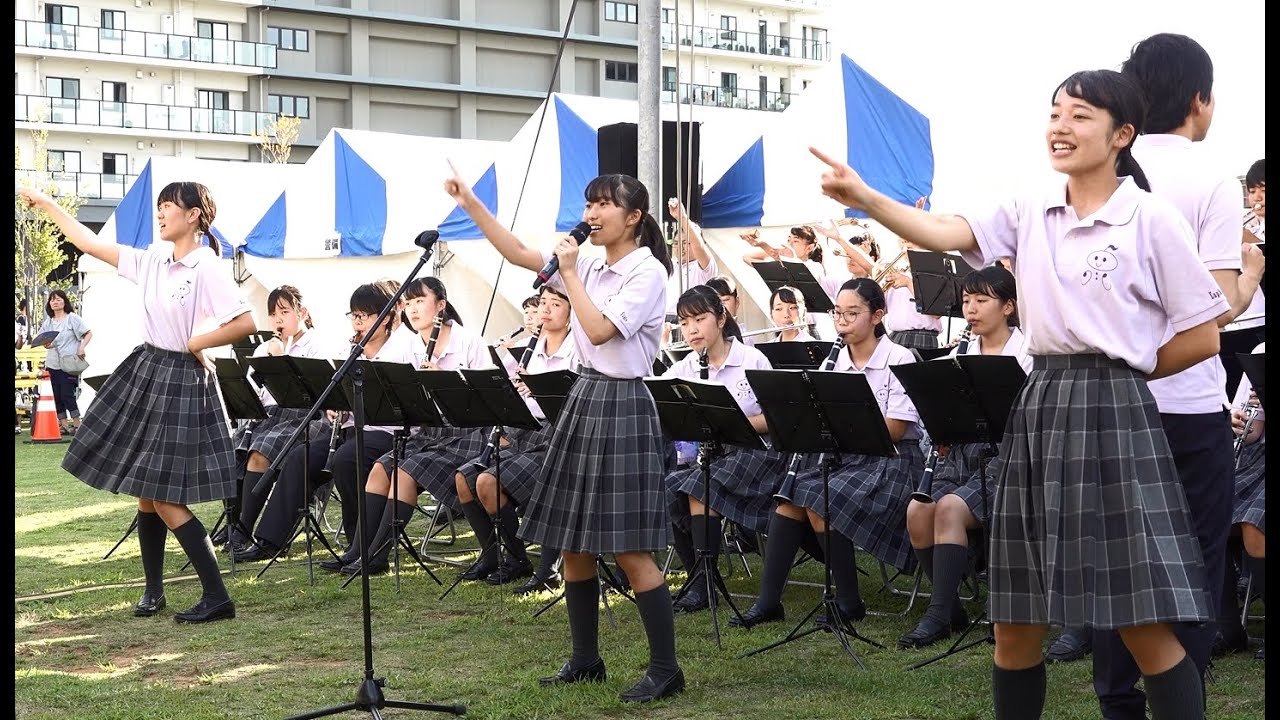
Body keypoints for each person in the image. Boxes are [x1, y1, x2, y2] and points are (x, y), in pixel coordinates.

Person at [811, 68, 1228, 720]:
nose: (1060, 126)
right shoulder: (1031, 207)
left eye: (1080, 115)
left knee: (1142, 619)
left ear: (1123, 134)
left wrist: (1122, 375)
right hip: (1039, 408)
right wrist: (866, 197)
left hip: (1116, 414)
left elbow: (1203, 336)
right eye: (1055, 112)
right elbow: (947, 231)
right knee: (1015, 620)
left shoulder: (1151, 219)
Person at [1072, 32, 1266, 715]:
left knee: (1116, 561)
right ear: (1197, 100)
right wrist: (1249, 276)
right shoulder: (1211, 180)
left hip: (1105, 403)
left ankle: (1118, 703)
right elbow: (1212, 317)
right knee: (1192, 562)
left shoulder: (1095, 174)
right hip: (1183, 403)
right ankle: (1183, 701)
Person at [445, 166, 684, 703]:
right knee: (573, 540)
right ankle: (585, 660)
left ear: (634, 217)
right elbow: (518, 254)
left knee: (627, 548)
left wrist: (572, 273)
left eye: (603, 205)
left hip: (623, 403)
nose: (591, 214)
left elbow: (599, 329)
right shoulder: (591, 260)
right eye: (588, 203)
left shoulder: (646, 273)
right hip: (584, 396)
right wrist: (472, 204)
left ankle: (666, 668)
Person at [20, 182, 255, 624]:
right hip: (150, 369)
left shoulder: (205, 266)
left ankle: (217, 596)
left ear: (194, 216)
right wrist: (49, 204)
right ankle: (153, 592)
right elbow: (87, 242)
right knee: (146, 493)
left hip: (181, 378)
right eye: (161, 206)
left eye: (169, 207)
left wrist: (195, 342)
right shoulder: (153, 260)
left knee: (163, 495)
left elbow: (245, 321)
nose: (161, 213)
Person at [733, 278, 923, 629]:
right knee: (788, 498)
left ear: (877, 315)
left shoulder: (899, 357)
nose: (843, 322)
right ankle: (768, 601)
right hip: (845, 458)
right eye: (838, 313)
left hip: (892, 462)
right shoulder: (832, 364)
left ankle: (849, 601)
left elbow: (896, 428)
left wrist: (844, 418)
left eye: (853, 313)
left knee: (819, 495)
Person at [899, 264, 1031, 649]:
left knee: (950, 509)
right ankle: (951, 606)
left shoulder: (1028, 353)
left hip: (1011, 459)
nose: (970, 309)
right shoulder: (960, 352)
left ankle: (938, 614)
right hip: (961, 455)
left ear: (1008, 307)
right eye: (967, 301)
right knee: (917, 512)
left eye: (982, 300)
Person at [325, 276, 492, 576]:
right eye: (410, 303)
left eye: (420, 301)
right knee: (380, 469)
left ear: (440, 306)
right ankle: (360, 550)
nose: (413, 310)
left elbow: (485, 400)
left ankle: (376, 555)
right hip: (427, 433)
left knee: (403, 471)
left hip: (464, 435)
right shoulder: (413, 344)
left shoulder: (469, 342)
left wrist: (444, 380)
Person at [662, 285, 782, 613]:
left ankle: (703, 585)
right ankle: (701, 576)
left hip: (756, 453)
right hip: (713, 457)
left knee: (699, 487)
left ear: (721, 318)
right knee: (669, 488)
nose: (693, 330)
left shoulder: (751, 359)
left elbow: (775, 419)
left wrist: (727, 420)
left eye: (700, 319)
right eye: (685, 323)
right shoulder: (685, 367)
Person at [454, 285, 578, 592]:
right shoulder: (534, 348)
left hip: (558, 437)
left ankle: (530, 563)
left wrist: (538, 389)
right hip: (524, 431)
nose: (545, 311)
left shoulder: (578, 348)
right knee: (464, 479)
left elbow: (575, 400)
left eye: (555, 305)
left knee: (487, 482)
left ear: (573, 311)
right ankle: (497, 555)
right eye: (543, 303)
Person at [222, 285, 329, 558]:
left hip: (303, 417)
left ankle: (243, 529)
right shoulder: (263, 349)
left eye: (285, 311)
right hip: (268, 416)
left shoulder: (317, 346)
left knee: (259, 453)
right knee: (232, 450)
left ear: (302, 312)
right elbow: (251, 393)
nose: (278, 319)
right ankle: (233, 522)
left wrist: (281, 361)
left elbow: (313, 392)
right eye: (273, 314)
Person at [1215, 342, 1264, 661]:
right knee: (1204, 510)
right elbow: (1251, 434)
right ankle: (1227, 628)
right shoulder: (1262, 351)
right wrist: (1240, 420)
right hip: (1255, 459)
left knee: (1254, 528)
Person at [33, 290, 92, 435]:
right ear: (49, 304)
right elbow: (41, 339)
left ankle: (77, 424)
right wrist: (45, 344)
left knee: (67, 394)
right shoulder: (48, 322)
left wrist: (81, 347)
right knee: (56, 395)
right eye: (52, 300)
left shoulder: (72, 318)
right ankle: (64, 425)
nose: (55, 302)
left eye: (58, 299)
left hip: (69, 363)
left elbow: (88, 334)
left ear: (64, 302)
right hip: (52, 364)